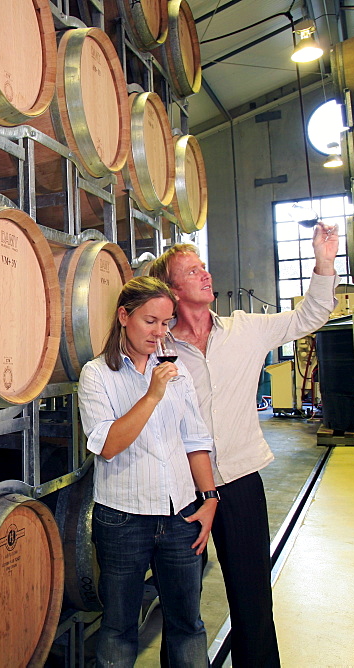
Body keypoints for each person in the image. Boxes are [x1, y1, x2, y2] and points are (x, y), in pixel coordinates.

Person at [148, 222, 340, 667]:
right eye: (193, 271)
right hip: (180, 489)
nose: (206, 275)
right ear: (172, 290)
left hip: (237, 481)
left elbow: (307, 317)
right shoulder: (157, 347)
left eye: (203, 268)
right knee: (179, 608)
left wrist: (324, 263)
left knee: (253, 600)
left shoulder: (244, 330)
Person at [77, 276, 219, 668]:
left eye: (167, 323)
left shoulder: (178, 372)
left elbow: (195, 440)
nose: (159, 332)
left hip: (181, 515)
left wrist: (209, 500)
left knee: (187, 625)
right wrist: (152, 394)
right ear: (124, 316)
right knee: (120, 629)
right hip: (123, 519)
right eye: (150, 321)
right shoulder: (96, 375)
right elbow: (107, 444)